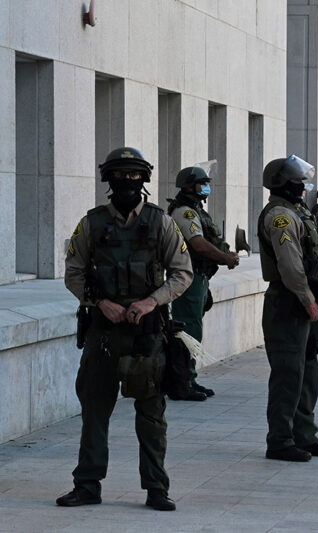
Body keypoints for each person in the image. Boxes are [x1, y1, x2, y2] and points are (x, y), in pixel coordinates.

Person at [57, 147, 193, 510]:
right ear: (109, 180)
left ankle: (156, 488)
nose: (128, 182)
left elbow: (183, 272)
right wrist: (100, 303)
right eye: (122, 175)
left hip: (147, 335)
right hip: (103, 334)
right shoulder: (91, 223)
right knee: (95, 412)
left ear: (144, 180)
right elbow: (72, 272)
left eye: (135, 175)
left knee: (151, 415)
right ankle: (87, 485)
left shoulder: (161, 222)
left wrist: (151, 302)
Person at [258, 154, 318, 462]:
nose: (303, 187)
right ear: (283, 184)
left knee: (308, 371)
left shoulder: (297, 211)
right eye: (297, 182)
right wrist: (307, 299)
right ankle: (280, 439)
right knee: (288, 374)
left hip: (302, 301)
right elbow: (290, 265)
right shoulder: (280, 216)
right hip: (288, 302)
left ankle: (304, 434)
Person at [168, 165, 239, 401]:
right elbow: (198, 244)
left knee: (193, 330)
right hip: (187, 277)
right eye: (202, 183)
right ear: (190, 186)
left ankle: (189, 378)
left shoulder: (196, 210)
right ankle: (180, 383)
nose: (206, 187)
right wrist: (225, 258)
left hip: (199, 277)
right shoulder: (185, 212)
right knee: (187, 330)